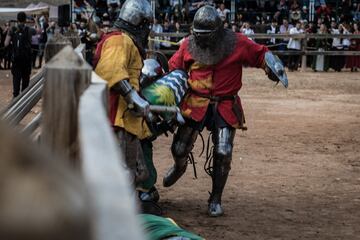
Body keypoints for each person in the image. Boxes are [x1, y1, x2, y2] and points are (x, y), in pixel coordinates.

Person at [163, 5, 286, 217]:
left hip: (225, 104)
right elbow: (175, 70)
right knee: (179, 148)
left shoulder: (236, 42)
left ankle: (215, 198)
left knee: (223, 151)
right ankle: (179, 166)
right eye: (198, 34)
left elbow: (261, 54)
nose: (202, 38)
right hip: (196, 102)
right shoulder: (188, 45)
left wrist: (271, 68)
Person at [93, 0, 156, 206]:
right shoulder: (118, 40)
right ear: (140, 22)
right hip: (116, 117)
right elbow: (111, 70)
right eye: (146, 24)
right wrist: (134, 97)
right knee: (123, 175)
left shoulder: (127, 41)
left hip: (126, 118)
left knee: (138, 171)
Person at [5, 12, 40, 98]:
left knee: (16, 86)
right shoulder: (29, 30)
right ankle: (23, 105)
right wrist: (36, 21)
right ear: (25, 20)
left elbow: (6, 43)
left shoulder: (12, 29)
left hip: (16, 61)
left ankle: (15, 107)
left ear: (17, 19)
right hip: (26, 61)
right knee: (25, 87)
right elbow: (39, 31)